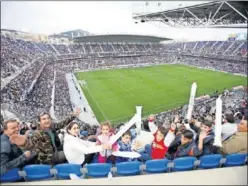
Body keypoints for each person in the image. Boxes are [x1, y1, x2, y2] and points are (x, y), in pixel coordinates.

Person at [10, 108, 81, 165]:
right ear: (39, 122)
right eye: (44, 119)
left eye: (48, 118)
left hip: (56, 149)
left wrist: (73, 115)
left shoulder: (51, 127)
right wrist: (23, 144)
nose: (46, 120)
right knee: (75, 151)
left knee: (73, 145)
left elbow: (61, 123)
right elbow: (31, 145)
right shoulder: (37, 134)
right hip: (50, 158)